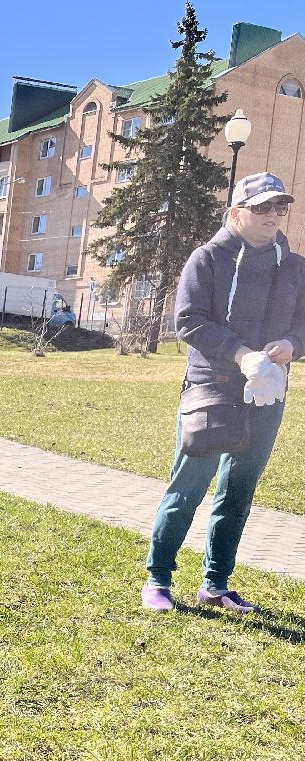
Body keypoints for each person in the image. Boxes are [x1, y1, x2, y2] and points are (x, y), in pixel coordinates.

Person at [143, 172, 305, 613]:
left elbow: (303, 323)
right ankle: (158, 579)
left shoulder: (293, 266)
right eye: (263, 207)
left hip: (267, 392)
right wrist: (240, 354)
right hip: (211, 387)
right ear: (236, 213)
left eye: (281, 206)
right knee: (189, 486)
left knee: (238, 490)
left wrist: (293, 345)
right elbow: (189, 321)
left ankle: (215, 583)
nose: (274, 214)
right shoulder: (208, 258)